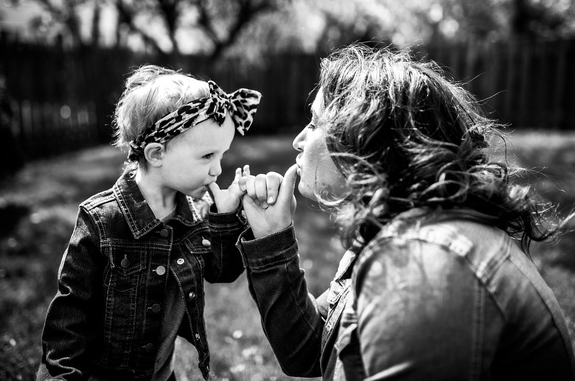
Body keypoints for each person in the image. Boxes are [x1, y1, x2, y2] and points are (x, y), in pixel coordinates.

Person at [236, 44, 575, 380]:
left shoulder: (427, 263)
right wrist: (272, 237)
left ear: (362, 138)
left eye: (314, 123)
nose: (298, 140)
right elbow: (309, 351)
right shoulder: (397, 231)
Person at [36, 65, 261, 381]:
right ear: (156, 154)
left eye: (222, 155)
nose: (217, 170)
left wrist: (224, 218)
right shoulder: (102, 221)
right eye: (207, 156)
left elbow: (221, 271)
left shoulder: (196, 214)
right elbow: (68, 322)